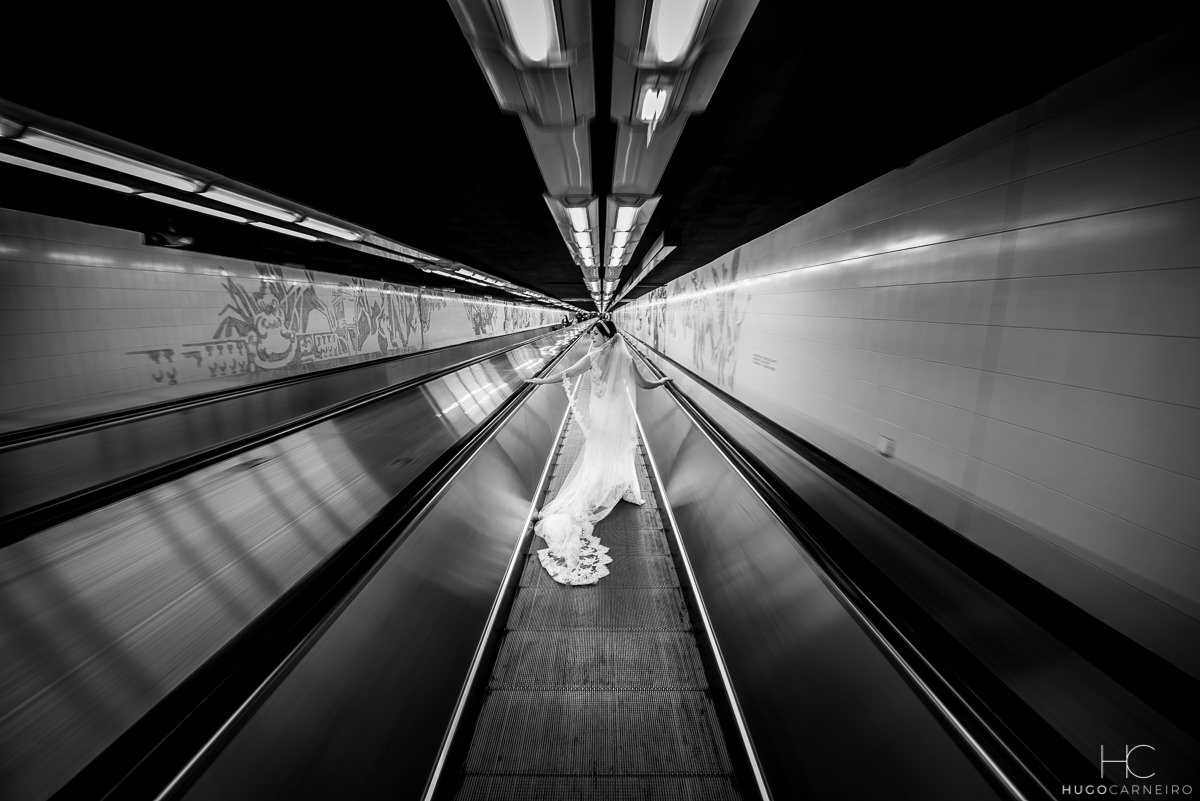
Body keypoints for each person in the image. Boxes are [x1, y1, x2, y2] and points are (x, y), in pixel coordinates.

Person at [524, 320, 672, 585]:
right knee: (615, 449)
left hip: (601, 414)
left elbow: (568, 373)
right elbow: (642, 383)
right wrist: (659, 382)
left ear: (606, 336)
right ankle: (615, 483)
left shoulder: (594, 357)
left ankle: (600, 483)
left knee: (598, 449)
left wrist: (541, 380)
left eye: (595, 333)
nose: (591, 336)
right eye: (592, 332)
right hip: (618, 414)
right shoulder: (624, 357)